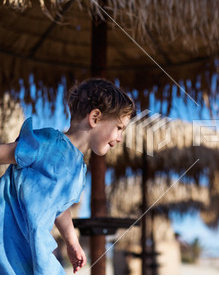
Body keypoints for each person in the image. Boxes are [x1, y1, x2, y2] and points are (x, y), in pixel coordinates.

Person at [0, 78, 136, 274]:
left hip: (29, 248)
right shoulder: (47, 144)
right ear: (95, 118)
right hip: (7, 241)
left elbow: (59, 206)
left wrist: (72, 242)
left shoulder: (77, 168)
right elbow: (6, 152)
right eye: (119, 128)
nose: (120, 138)